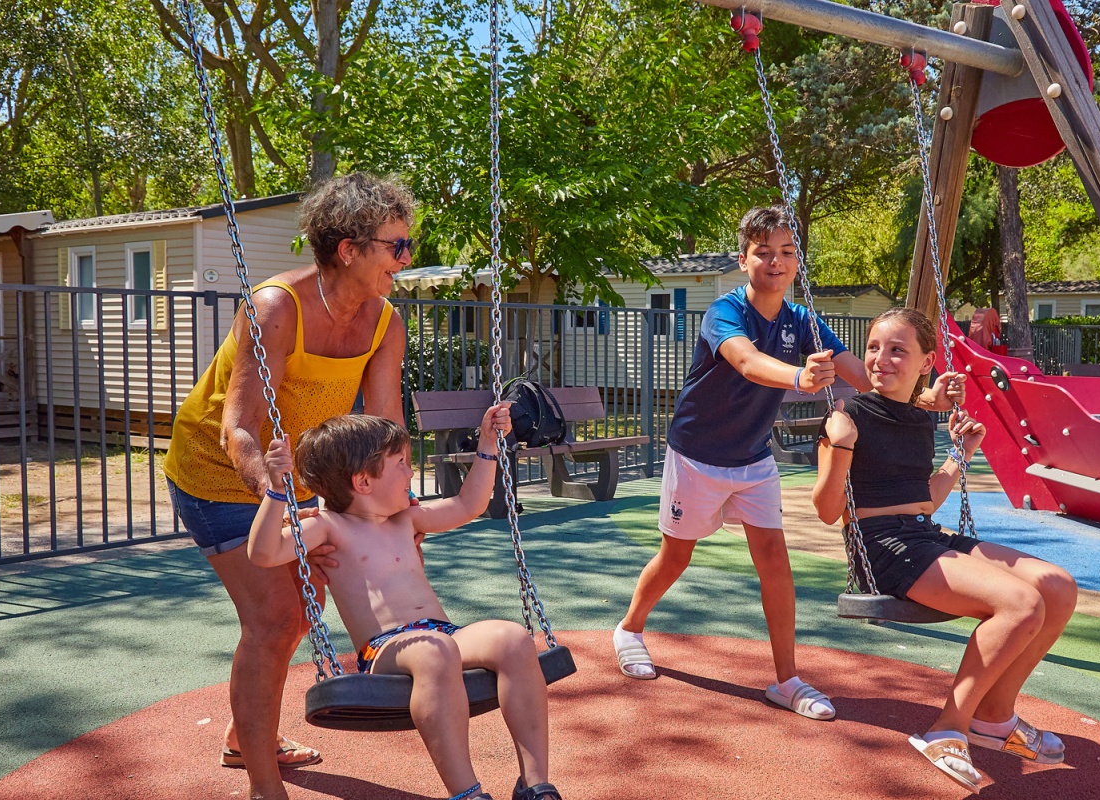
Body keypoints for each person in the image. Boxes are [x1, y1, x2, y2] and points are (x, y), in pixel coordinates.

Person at [612, 205, 960, 721]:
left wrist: (925, 397)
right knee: (677, 556)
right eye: (764, 253)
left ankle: (786, 679)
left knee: (775, 561)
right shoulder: (724, 312)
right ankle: (630, 627)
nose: (776, 262)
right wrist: (800, 378)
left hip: (753, 458)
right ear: (744, 258)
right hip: (698, 455)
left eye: (787, 253)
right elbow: (747, 361)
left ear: (797, 261)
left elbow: (866, 379)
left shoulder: (804, 320)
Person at [161, 173, 412, 800]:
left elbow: (385, 434)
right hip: (219, 473)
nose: (408, 260)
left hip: (295, 477)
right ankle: (264, 784)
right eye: (397, 247)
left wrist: (391, 517)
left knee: (304, 610)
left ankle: (242, 738)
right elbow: (239, 428)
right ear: (349, 248)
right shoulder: (276, 307)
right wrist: (277, 496)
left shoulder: (384, 321)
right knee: (276, 618)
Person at [812, 307, 1077, 791]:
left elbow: (925, 499)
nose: (881, 359)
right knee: (1020, 605)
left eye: (897, 350)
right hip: (882, 546)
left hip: (923, 533)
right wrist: (842, 448)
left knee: (1056, 587)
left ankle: (994, 719)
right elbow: (830, 511)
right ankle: (947, 728)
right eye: (873, 347)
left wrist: (960, 455)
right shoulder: (845, 416)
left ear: (926, 362)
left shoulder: (918, 419)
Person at [248, 408, 562, 800]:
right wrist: (278, 491)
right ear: (363, 482)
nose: (411, 473)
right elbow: (264, 553)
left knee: (513, 638)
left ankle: (535, 784)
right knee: (435, 651)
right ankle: (466, 792)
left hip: (443, 634)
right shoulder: (329, 527)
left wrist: (488, 446)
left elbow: (470, 505)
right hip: (385, 648)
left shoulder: (406, 520)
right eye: (401, 464)